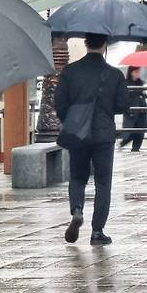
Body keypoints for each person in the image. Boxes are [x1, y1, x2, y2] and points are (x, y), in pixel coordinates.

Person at [54, 33, 129, 245]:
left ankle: (77, 209)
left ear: (86, 43)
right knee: (103, 182)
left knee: (78, 176)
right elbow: (123, 104)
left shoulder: (71, 71)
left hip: (78, 132)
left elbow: (59, 103)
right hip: (104, 134)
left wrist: (72, 119)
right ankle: (97, 231)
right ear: (104, 44)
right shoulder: (114, 75)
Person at [119, 66, 147, 152]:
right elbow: (126, 97)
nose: (138, 73)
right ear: (131, 72)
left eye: (139, 71)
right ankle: (122, 143)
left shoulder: (140, 83)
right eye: (136, 71)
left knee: (140, 132)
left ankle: (136, 149)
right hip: (132, 111)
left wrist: (143, 93)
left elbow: (143, 96)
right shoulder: (127, 83)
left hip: (141, 110)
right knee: (130, 132)